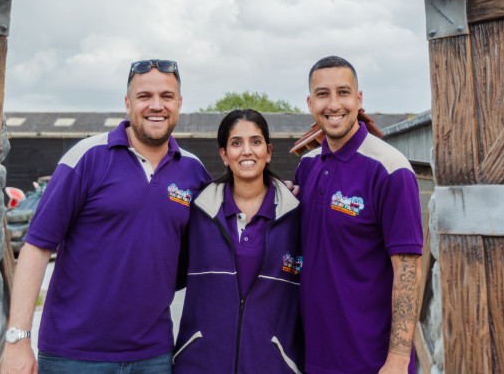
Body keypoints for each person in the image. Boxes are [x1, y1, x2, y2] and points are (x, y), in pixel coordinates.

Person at [1, 59, 211, 374]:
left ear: (179, 104)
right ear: (128, 104)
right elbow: (37, 247)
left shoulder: (194, 172)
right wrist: (18, 340)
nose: (156, 105)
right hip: (73, 355)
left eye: (167, 96)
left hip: (153, 355)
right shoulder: (85, 158)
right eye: (144, 96)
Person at [294, 56, 422, 374]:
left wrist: (397, 360)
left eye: (344, 92)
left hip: (372, 362)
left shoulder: (390, 169)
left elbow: (408, 271)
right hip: (314, 359)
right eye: (323, 94)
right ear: (310, 103)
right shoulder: (307, 167)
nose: (334, 104)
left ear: (359, 99)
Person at [173, 109, 303, 374]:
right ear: (223, 155)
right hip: (201, 366)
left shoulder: (297, 215)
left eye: (255, 142)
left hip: (274, 367)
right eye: (236, 143)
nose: (246, 151)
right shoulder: (197, 212)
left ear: (268, 152)